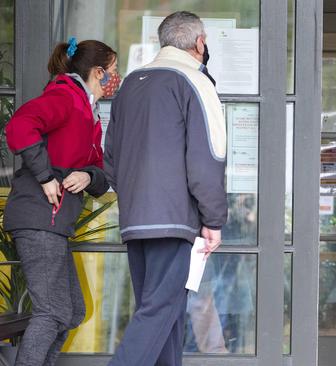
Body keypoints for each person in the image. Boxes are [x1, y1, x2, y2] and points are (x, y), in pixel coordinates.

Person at [104, 11, 228, 366]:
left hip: (135, 218)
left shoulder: (130, 85)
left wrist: (134, 195)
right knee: (159, 311)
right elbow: (208, 157)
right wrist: (213, 219)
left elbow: (110, 155)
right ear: (199, 42)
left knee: (165, 314)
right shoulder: (194, 81)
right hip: (174, 219)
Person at [3, 37, 114, 366]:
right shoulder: (65, 96)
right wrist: (46, 176)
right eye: (113, 70)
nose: (115, 77)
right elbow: (19, 126)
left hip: (53, 224)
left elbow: (100, 171)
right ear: (98, 72)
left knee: (71, 312)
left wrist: (88, 177)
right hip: (39, 219)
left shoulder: (86, 109)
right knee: (51, 312)